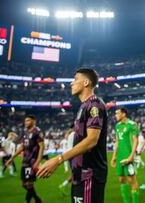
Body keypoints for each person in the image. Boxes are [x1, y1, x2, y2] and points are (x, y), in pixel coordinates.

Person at [37, 68, 108, 203]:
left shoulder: (95, 104)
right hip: (79, 174)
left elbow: (92, 140)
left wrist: (58, 160)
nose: (71, 83)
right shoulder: (83, 106)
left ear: (86, 82)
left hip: (90, 175)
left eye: (75, 79)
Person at [6, 115, 44, 203]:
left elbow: (41, 146)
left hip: (32, 162)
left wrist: (38, 161)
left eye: (28, 120)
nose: (25, 122)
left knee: (29, 184)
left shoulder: (37, 131)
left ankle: (27, 201)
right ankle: (37, 199)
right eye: (25, 121)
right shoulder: (25, 132)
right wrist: (12, 158)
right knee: (23, 184)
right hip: (25, 162)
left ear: (34, 121)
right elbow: (22, 146)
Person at [111, 107, 139, 203]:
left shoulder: (132, 125)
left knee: (132, 180)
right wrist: (114, 156)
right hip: (120, 157)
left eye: (117, 113)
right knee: (122, 179)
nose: (115, 115)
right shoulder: (117, 125)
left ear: (123, 114)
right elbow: (117, 141)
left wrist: (131, 156)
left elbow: (136, 141)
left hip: (128, 156)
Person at [58, 124, 75, 196]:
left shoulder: (71, 134)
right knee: (77, 174)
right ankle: (64, 185)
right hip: (74, 155)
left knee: (75, 173)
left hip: (69, 154)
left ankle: (65, 185)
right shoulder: (74, 134)